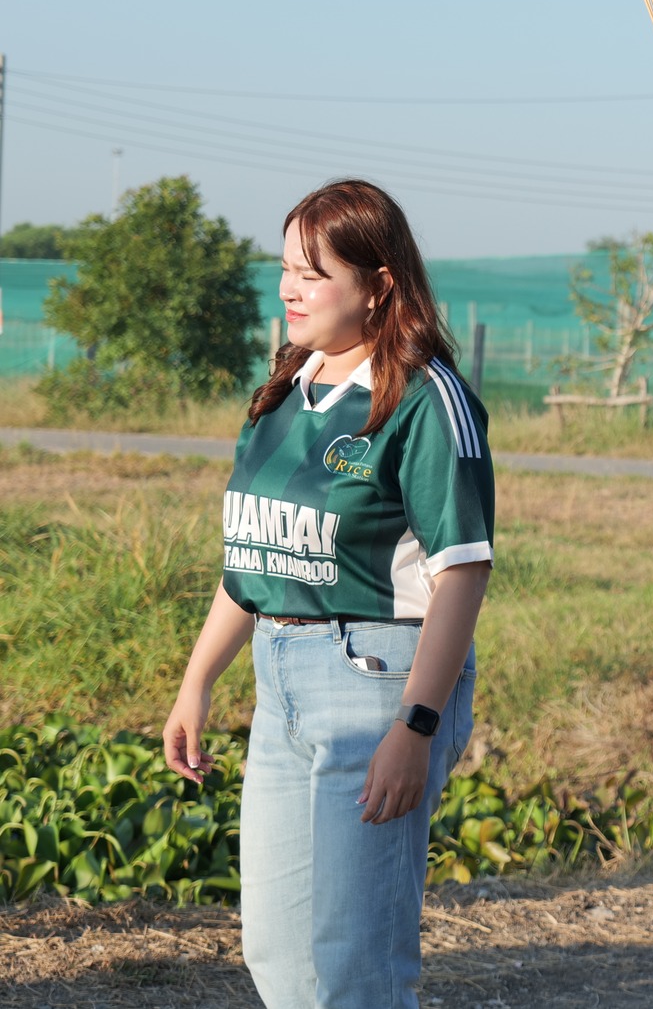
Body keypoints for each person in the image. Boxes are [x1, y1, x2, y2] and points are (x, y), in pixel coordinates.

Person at [161, 180, 493, 1009]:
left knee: (356, 966)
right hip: (280, 680)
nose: (288, 290)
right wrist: (196, 681)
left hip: (380, 681)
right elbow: (255, 558)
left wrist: (416, 726)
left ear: (378, 284)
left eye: (313, 274)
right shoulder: (283, 387)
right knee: (277, 951)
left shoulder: (423, 396)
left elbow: (464, 571)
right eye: (285, 269)